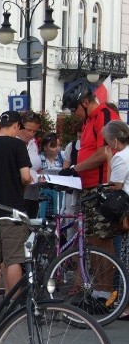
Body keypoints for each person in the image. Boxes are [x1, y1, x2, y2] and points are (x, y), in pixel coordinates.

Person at [0, 110, 32, 316]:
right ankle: (12, 303)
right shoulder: (18, 145)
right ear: (17, 126)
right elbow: (26, 176)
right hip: (13, 209)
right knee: (13, 258)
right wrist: (22, 186)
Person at [59, 77, 121, 255]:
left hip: (101, 188)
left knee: (102, 242)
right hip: (88, 188)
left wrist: (74, 169)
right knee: (92, 242)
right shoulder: (88, 121)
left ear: (85, 102)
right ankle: (95, 282)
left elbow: (105, 151)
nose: (73, 113)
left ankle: (107, 284)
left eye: (74, 108)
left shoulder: (105, 115)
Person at [103, 120, 129, 318]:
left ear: (113, 141)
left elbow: (116, 186)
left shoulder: (120, 156)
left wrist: (110, 160)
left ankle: (125, 306)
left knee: (126, 260)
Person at [18, 111, 43, 218]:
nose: (31, 134)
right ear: (19, 126)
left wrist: (42, 176)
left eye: (35, 131)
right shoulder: (14, 142)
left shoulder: (33, 143)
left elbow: (36, 166)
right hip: (19, 194)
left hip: (33, 194)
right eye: (28, 130)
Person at [38, 132, 64, 218]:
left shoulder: (62, 158)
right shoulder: (38, 159)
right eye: (53, 146)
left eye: (58, 145)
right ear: (45, 147)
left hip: (58, 189)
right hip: (43, 188)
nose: (57, 148)